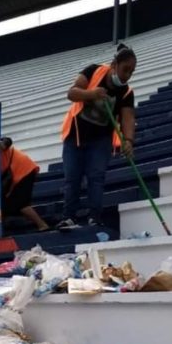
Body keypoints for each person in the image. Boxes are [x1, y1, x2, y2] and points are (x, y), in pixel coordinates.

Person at [58, 43, 137, 228]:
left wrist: (129, 141)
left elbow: (127, 118)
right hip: (75, 134)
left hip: (100, 140)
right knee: (72, 177)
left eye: (131, 72)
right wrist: (91, 93)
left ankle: (95, 217)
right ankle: (69, 217)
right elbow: (72, 93)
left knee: (96, 177)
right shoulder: (93, 71)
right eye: (125, 69)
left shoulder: (126, 92)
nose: (127, 75)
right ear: (114, 65)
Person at [0, 138, 50, 232]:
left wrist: (3, 145)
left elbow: (7, 140)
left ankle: (42, 225)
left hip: (24, 169)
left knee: (19, 203)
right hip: (15, 177)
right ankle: (0, 229)